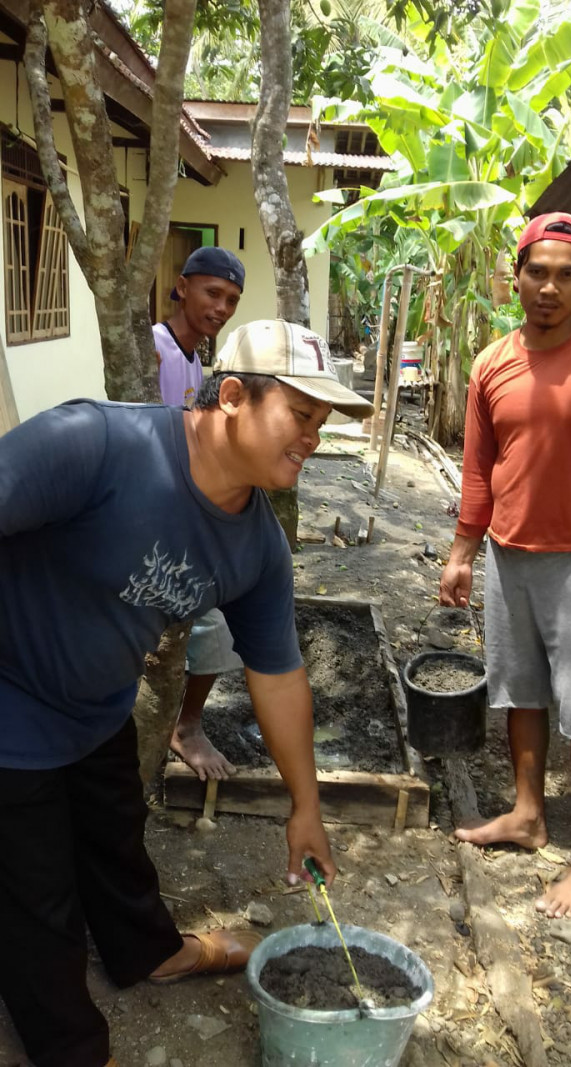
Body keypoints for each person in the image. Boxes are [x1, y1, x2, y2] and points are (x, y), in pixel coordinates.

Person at [0, 318, 373, 1067]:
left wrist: (305, 806)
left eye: (321, 422)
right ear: (233, 395)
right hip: (11, 705)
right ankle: (72, 1049)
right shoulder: (95, 444)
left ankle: (149, 951)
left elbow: (278, 671)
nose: (313, 438)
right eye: (300, 415)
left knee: (116, 843)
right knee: (37, 903)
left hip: (99, 703)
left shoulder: (257, 545)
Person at [439, 212, 571, 921]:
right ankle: (529, 814)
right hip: (508, 555)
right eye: (538, 272)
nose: (549, 288)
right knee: (521, 692)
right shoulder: (491, 363)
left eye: (567, 275)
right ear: (517, 275)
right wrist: (462, 551)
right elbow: (480, 469)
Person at [154, 246, 245, 781]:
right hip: (159, 516)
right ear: (182, 286)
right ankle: (184, 728)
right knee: (211, 621)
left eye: (232, 298)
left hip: (186, 512)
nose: (222, 307)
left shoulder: (193, 360)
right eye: (213, 293)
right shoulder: (155, 348)